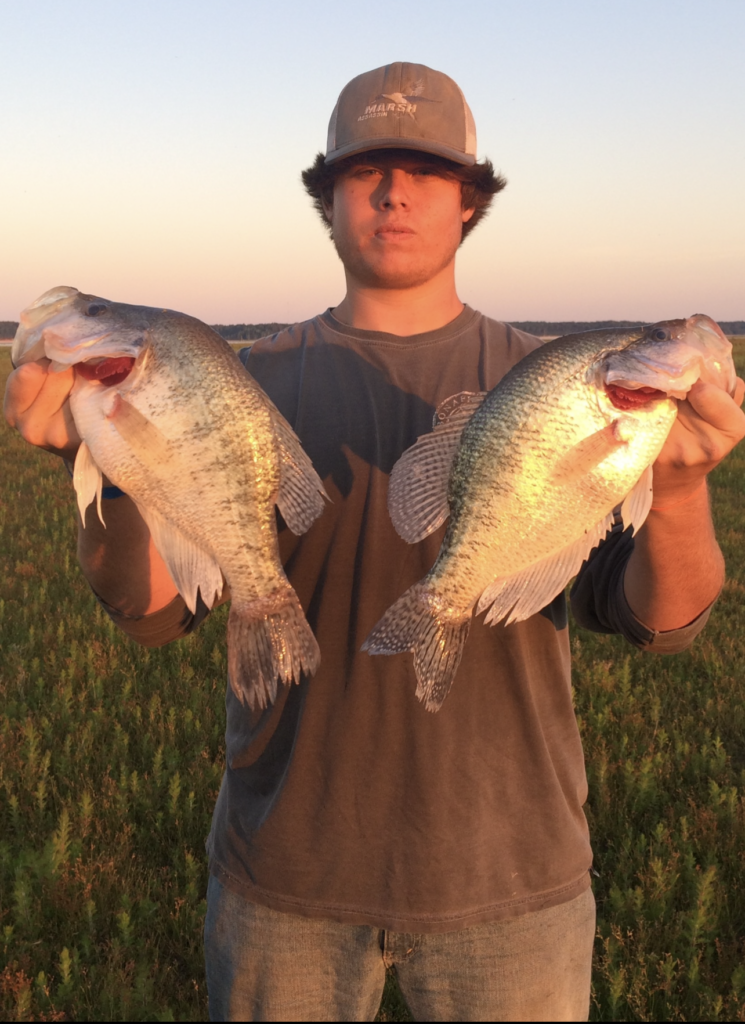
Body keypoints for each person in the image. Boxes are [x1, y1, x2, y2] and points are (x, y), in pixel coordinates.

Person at [5, 62, 745, 1023]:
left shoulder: (548, 379)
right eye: (366, 171)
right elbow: (148, 617)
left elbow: (662, 624)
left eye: (427, 173)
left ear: (468, 204)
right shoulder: (239, 377)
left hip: (512, 884)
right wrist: (117, 473)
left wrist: (679, 484)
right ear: (328, 198)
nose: (395, 192)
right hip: (283, 881)